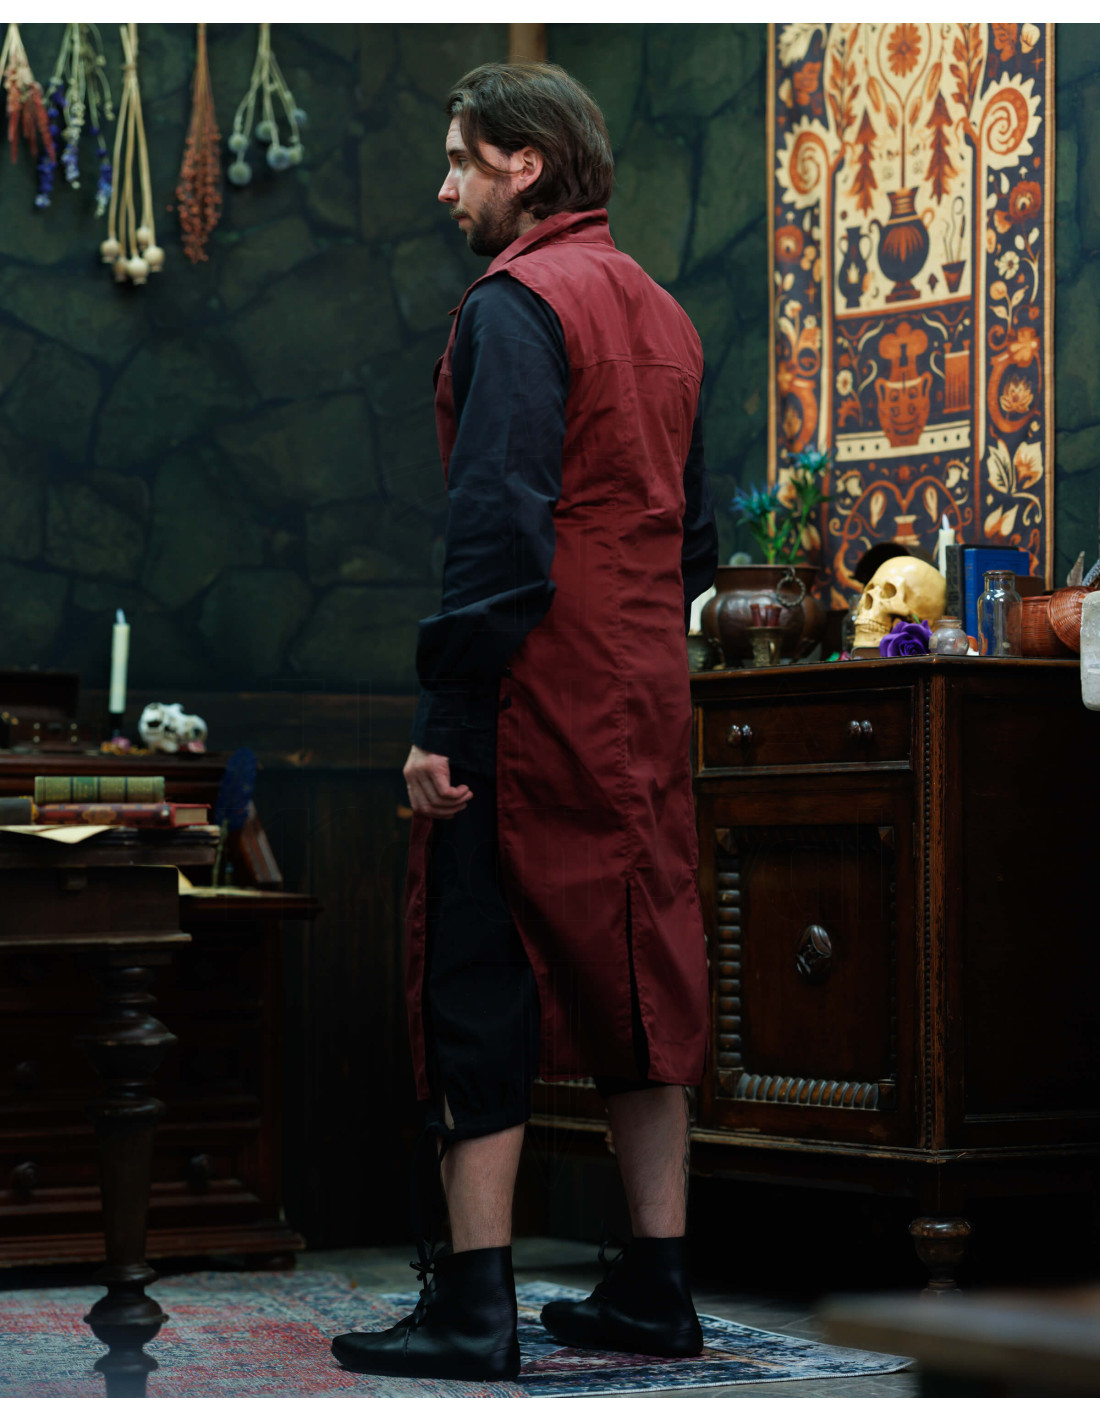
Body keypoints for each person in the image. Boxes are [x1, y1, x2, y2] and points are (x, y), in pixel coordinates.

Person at [331, 60, 718, 1383]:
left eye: (460, 159)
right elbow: (695, 540)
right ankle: (659, 1288)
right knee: (645, 964)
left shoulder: (515, 305)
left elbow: (497, 522)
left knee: (474, 968)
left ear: (524, 165)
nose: (445, 187)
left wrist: (446, 711)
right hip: (644, 692)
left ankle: (473, 1305)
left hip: (533, 690)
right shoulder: (667, 314)